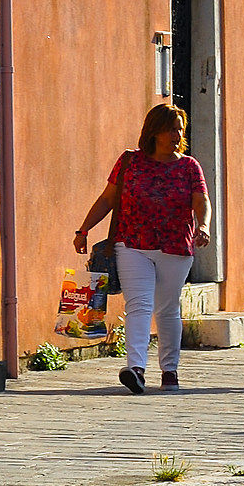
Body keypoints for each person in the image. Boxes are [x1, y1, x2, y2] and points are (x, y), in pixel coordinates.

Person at [72, 103, 209, 394]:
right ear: (155, 131)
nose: (177, 134)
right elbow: (108, 199)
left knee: (167, 308)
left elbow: (201, 200)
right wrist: (83, 230)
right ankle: (136, 368)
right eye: (172, 128)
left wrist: (204, 225)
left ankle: (169, 370)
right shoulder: (129, 162)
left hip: (175, 246)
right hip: (132, 244)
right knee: (139, 305)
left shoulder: (188, 166)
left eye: (180, 129)